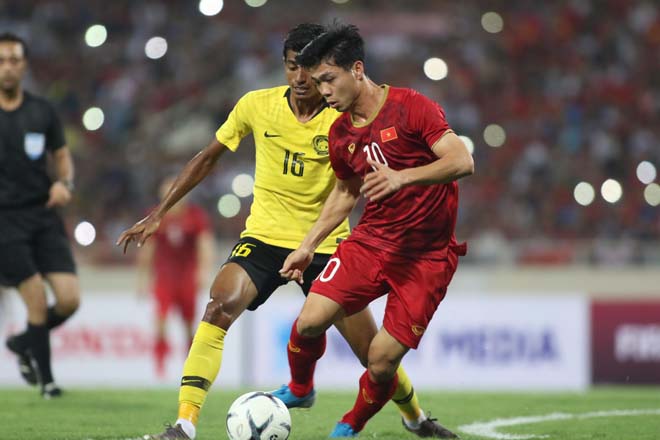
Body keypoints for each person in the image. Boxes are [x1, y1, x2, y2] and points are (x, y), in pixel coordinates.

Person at [117, 23, 450, 440]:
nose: (300, 77)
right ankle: (184, 425)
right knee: (218, 306)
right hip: (264, 238)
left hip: (326, 244)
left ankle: (415, 418)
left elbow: (356, 186)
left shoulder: (344, 117)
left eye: (309, 69)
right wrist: (160, 213)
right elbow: (208, 157)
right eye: (292, 66)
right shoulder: (256, 106)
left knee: (372, 354)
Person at [277, 23, 474, 437]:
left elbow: (462, 160)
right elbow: (346, 192)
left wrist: (403, 177)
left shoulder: (411, 106)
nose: (323, 92)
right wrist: (308, 246)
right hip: (370, 243)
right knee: (309, 321)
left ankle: (349, 425)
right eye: (317, 83)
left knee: (381, 361)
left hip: (426, 258)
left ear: (357, 69)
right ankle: (300, 389)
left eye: (329, 79)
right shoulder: (339, 133)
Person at [0, 32, 80, 399]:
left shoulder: (42, 111)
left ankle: (22, 343)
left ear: (24, 65)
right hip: (5, 220)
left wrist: (64, 182)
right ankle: (48, 382)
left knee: (68, 300)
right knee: (33, 294)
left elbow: (62, 156)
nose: (7, 67)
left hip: (43, 214)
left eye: (14, 60)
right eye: (2, 60)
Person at [136, 176, 214, 378]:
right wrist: (142, 278)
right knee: (160, 322)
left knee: (189, 324)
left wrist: (203, 271)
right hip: (164, 278)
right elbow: (148, 249)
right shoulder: (156, 216)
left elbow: (205, 245)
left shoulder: (195, 216)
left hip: (187, 277)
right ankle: (160, 367)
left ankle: (190, 367)